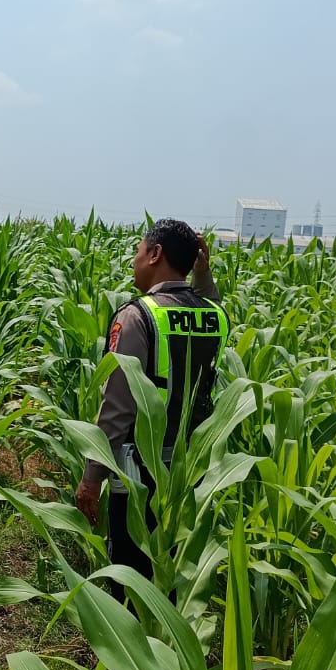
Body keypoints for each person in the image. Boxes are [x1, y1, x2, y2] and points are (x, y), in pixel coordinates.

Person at [74, 218, 228, 599]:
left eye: (139, 252)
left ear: (156, 254)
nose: (134, 261)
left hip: (139, 478)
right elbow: (212, 305)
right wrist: (202, 274)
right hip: (191, 472)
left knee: (131, 584)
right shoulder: (211, 315)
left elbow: (118, 407)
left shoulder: (139, 316)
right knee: (174, 577)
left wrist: (93, 475)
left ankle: (126, 657)